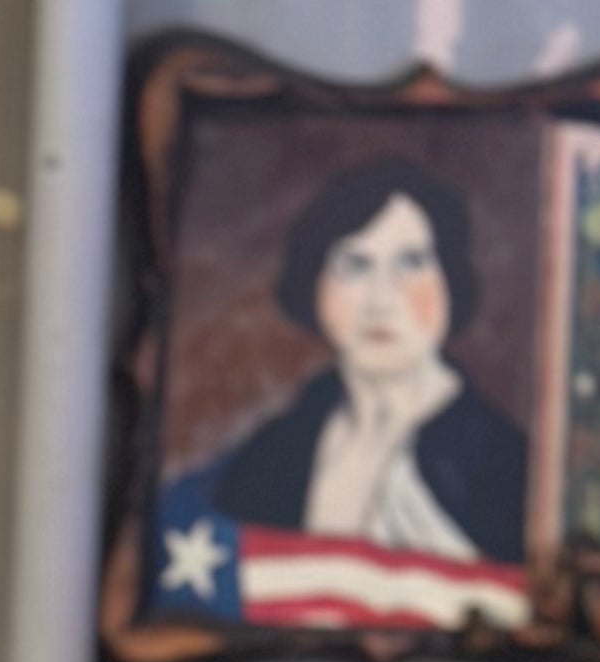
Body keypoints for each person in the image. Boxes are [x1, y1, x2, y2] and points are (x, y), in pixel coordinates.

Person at [202, 157, 527, 565]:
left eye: (411, 264)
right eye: (354, 266)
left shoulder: (505, 463)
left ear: (451, 280)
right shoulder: (278, 451)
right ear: (313, 286)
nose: (381, 300)